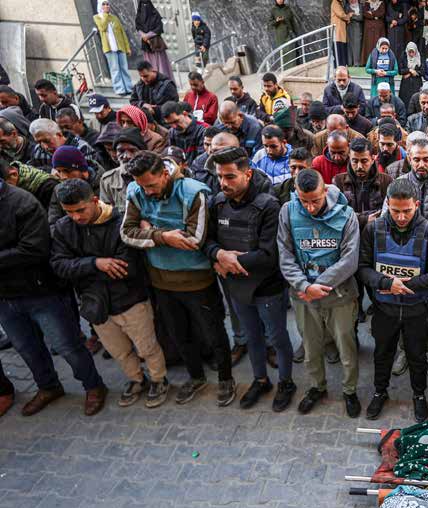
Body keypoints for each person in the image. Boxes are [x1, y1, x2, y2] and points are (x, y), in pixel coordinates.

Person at [120, 151, 236, 405]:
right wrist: (165, 236)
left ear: (165, 173)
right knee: (179, 334)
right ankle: (196, 377)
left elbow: (194, 239)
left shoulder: (194, 192)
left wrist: (149, 230)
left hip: (197, 280)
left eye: (151, 185)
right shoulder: (135, 191)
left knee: (213, 330)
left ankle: (226, 378)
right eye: (142, 186)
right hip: (160, 281)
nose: (147, 192)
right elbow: (126, 233)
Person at [50, 177, 169, 408]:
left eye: (80, 210)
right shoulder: (64, 228)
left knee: (147, 348)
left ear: (94, 200)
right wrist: (96, 263)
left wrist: (81, 267)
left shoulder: (121, 222)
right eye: (69, 212)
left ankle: (158, 379)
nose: (76, 217)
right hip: (96, 305)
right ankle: (136, 380)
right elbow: (59, 266)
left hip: (130, 301)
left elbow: (126, 267)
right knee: (119, 352)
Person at [0, 163, 108, 416]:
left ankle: (93, 386)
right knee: (26, 347)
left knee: (67, 345)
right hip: (5, 296)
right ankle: (48, 386)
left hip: (40, 290)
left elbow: (33, 249)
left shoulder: (21, 202)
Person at [204, 147, 296, 411]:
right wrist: (218, 254)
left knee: (277, 338)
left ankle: (286, 382)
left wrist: (231, 262)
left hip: (268, 287)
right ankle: (261, 379)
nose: (224, 183)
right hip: (237, 287)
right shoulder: (217, 202)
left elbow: (269, 254)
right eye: (220, 176)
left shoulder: (269, 205)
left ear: (248, 174)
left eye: (230, 176)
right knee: (252, 337)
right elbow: (206, 240)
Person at [357, 178, 428, 421]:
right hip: (384, 309)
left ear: (416, 204)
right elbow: (362, 268)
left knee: (417, 355)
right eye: (395, 211)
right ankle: (380, 392)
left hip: (417, 310)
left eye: (407, 210)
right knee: (382, 353)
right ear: (387, 204)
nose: (401, 217)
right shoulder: (373, 229)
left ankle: (418, 395)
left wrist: (403, 286)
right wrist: (386, 283)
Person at [333, 137, 390, 226]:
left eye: (364, 161)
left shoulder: (386, 181)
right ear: (349, 158)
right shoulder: (338, 181)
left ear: (372, 159)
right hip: (349, 233)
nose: (359, 166)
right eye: (355, 161)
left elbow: (388, 212)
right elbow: (337, 213)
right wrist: (364, 219)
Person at [29, 118, 99, 173]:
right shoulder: (38, 150)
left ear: (59, 134)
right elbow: (29, 169)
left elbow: (90, 172)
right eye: (39, 142)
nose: (45, 146)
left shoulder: (81, 147)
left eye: (47, 141)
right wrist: (50, 171)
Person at [93, 0, 133, 96]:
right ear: (100, 6)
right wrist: (105, 15)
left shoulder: (114, 18)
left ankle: (128, 88)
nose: (106, 6)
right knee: (115, 69)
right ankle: (119, 89)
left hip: (120, 47)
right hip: (109, 48)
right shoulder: (97, 17)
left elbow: (122, 33)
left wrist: (127, 47)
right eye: (104, 4)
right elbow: (102, 27)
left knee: (124, 68)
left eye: (107, 4)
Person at [135, 0, 172, 77]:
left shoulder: (155, 15)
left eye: (146, 4)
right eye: (143, 5)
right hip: (146, 45)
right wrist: (143, 35)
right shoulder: (139, 17)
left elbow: (159, 28)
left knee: (161, 65)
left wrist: (148, 35)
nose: (145, 7)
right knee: (150, 65)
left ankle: (164, 82)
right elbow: (138, 28)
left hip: (156, 43)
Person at [269, 0, 300, 68]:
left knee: (292, 52)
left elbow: (292, 22)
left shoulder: (288, 9)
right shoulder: (273, 10)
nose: (280, 0)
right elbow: (269, 24)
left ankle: (294, 69)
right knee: (284, 53)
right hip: (281, 36)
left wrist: (295, 32)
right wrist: (276, 21)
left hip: (290, 34)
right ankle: (286, 70)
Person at [331, 0, 351, 66]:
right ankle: (339, 66)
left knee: (341, 47)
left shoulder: (339, 3)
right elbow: (341, 14)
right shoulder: (335, 2)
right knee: (338, 48)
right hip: (337, 30)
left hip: (340, 30)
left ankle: (341, 65)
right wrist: (348, 16)